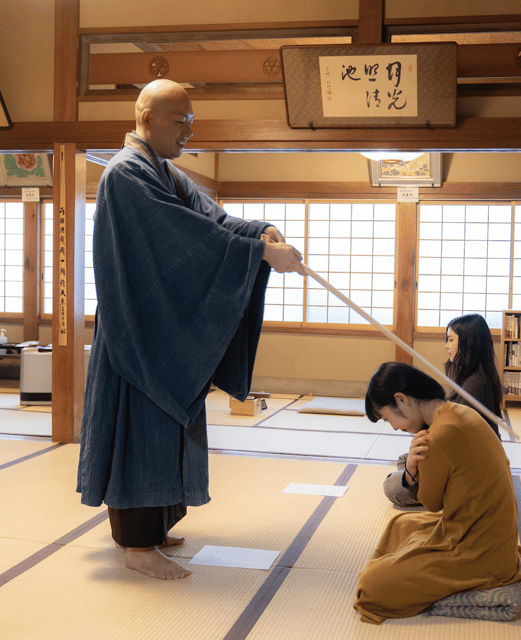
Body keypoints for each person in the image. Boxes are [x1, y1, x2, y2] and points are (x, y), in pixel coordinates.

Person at [76, 79, 305, 580]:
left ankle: (153, 529)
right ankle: (136, 546)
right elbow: (181, 237)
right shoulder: (124, 175)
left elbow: (213, 220)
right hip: (138, 331)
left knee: (168, 427)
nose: (188, 130)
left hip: (160, 328)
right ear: (146, 118)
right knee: (141, 433)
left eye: (191, 121)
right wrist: (259, 254)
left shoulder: (166, 173)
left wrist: (257, 232)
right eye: (180, 120)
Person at [354, 362, 521, 624]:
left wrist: (413, 470)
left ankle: (398, 572)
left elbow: (431, 504)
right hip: (494, 536)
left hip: (480, 553)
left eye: (386, 418)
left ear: (402, 400)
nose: (393, 426)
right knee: (400, 525)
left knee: (370, 587)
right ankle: (400, 565)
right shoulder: (460, 412)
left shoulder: (436, 436)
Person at [383, 313, 504, 506]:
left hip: (471, 468)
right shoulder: (470, 376)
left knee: (392, 487)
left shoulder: (477, 385)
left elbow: (454, 436)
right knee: (405, 459)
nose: (447, 346)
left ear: (468, 342)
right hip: (462, 457)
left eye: (451, 340)